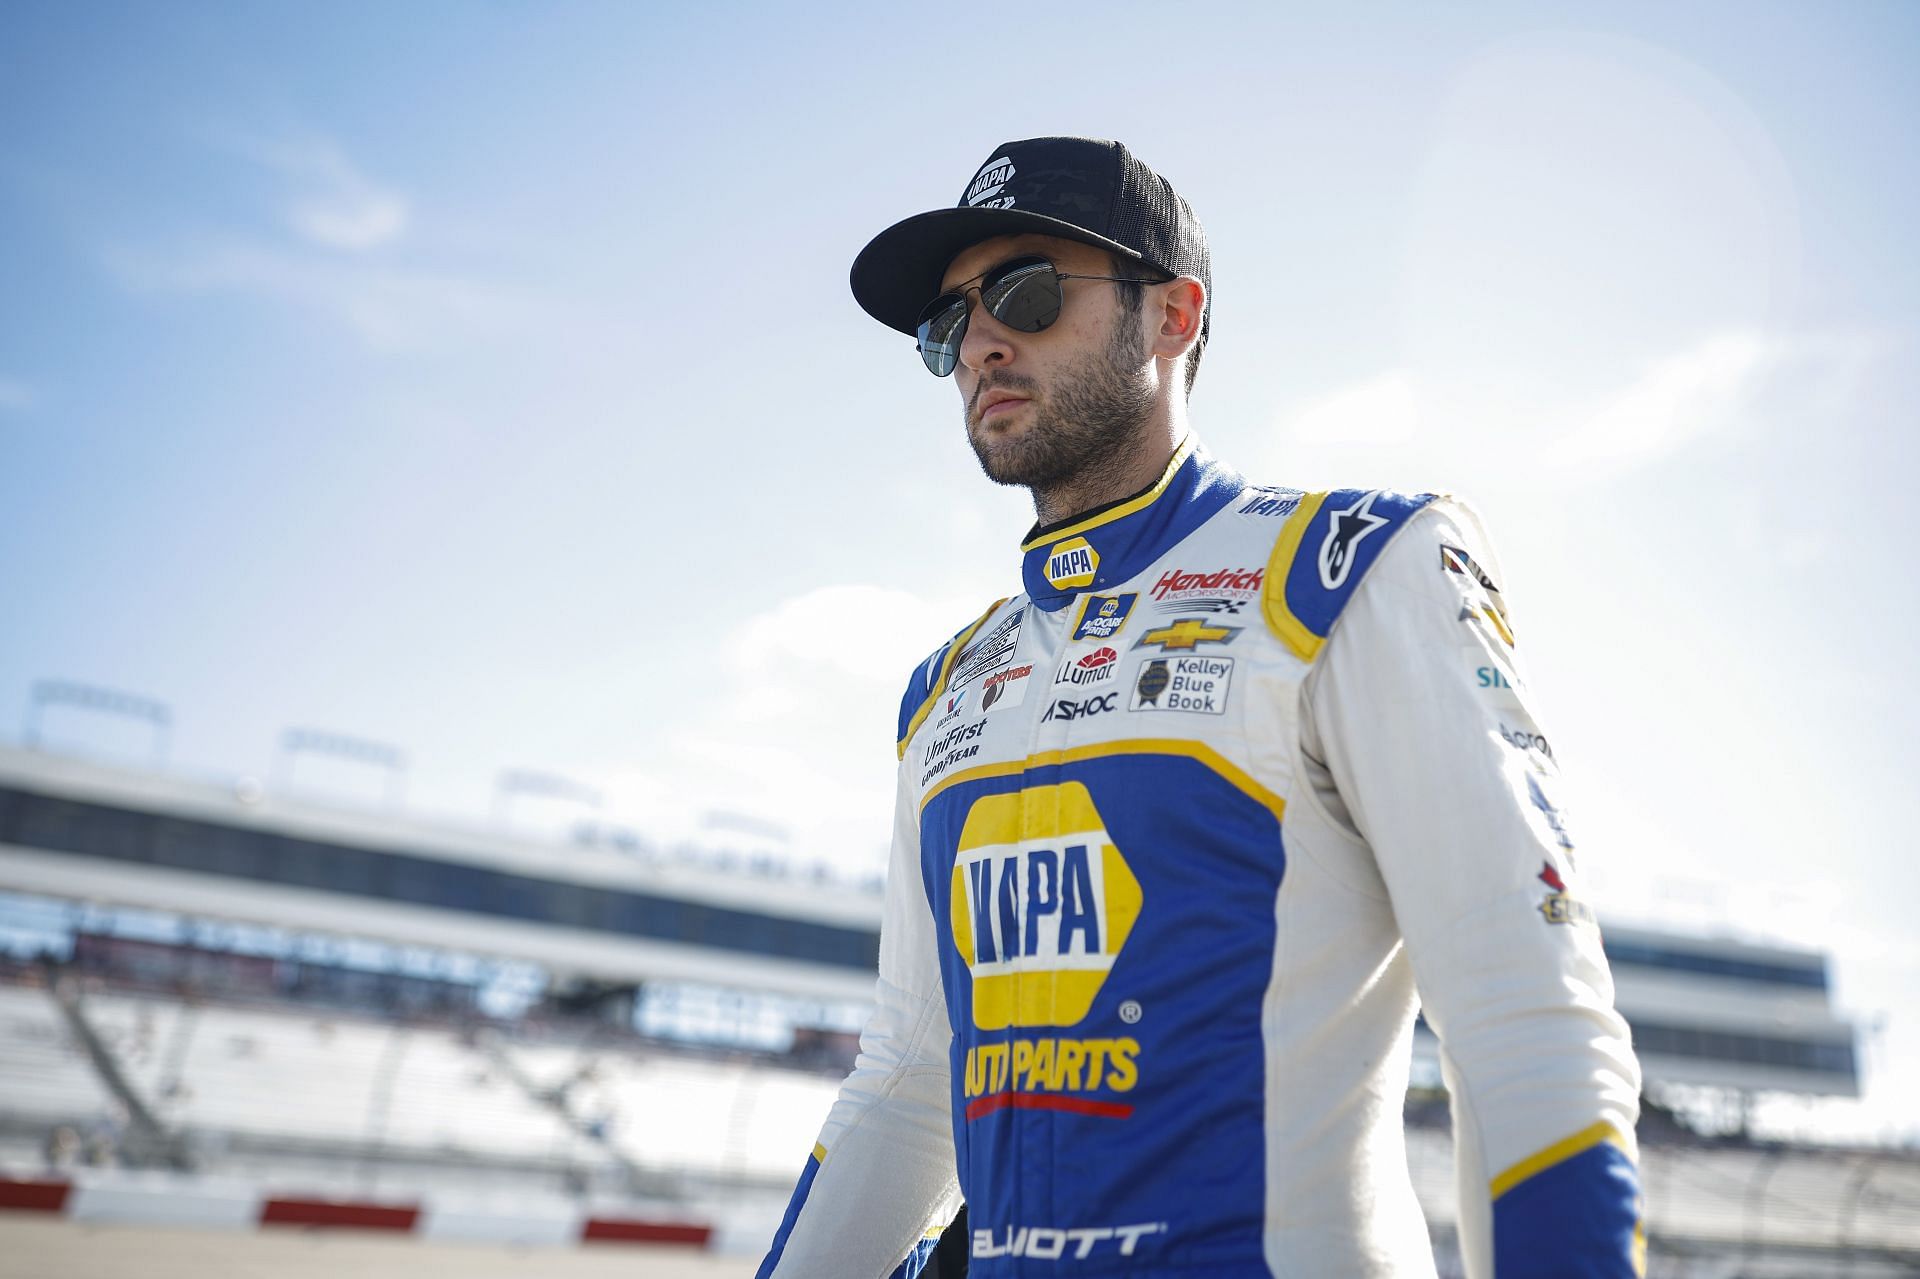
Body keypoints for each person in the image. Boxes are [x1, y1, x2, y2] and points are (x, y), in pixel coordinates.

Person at [757, 137, 1643, 1279]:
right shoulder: (947, 685)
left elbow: (1526, 1023)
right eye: (948, 324)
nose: (980, 340)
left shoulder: (1352, 569)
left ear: (1172, 315)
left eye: (1023, 290)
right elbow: (906, 1083)